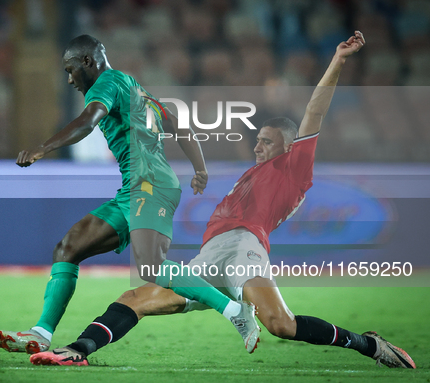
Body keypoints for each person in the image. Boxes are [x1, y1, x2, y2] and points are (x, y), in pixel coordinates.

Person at [30, 31, 414, 369]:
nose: (257, 145)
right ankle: (77, 348)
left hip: (244, 247)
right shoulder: (252, 174)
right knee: (137, 298)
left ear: (288, 145)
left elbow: (314, 109)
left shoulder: (294, 169)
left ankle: (368, 344)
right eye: (257, 138)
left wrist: (337, 60)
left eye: (267, 140)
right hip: (211, 254)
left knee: (281, 324)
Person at [0, 35, 260, 355]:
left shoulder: (105, 84)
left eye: (70, 69)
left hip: (150, 184)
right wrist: (199, 169)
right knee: (68, 248)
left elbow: (87, 121)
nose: (69, 79)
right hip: (134, 189)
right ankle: (41, 333)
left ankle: (236, 312)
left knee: (150, 266)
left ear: (88, 63)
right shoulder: (133, 86)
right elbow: (176, 123)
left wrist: (43, 147)